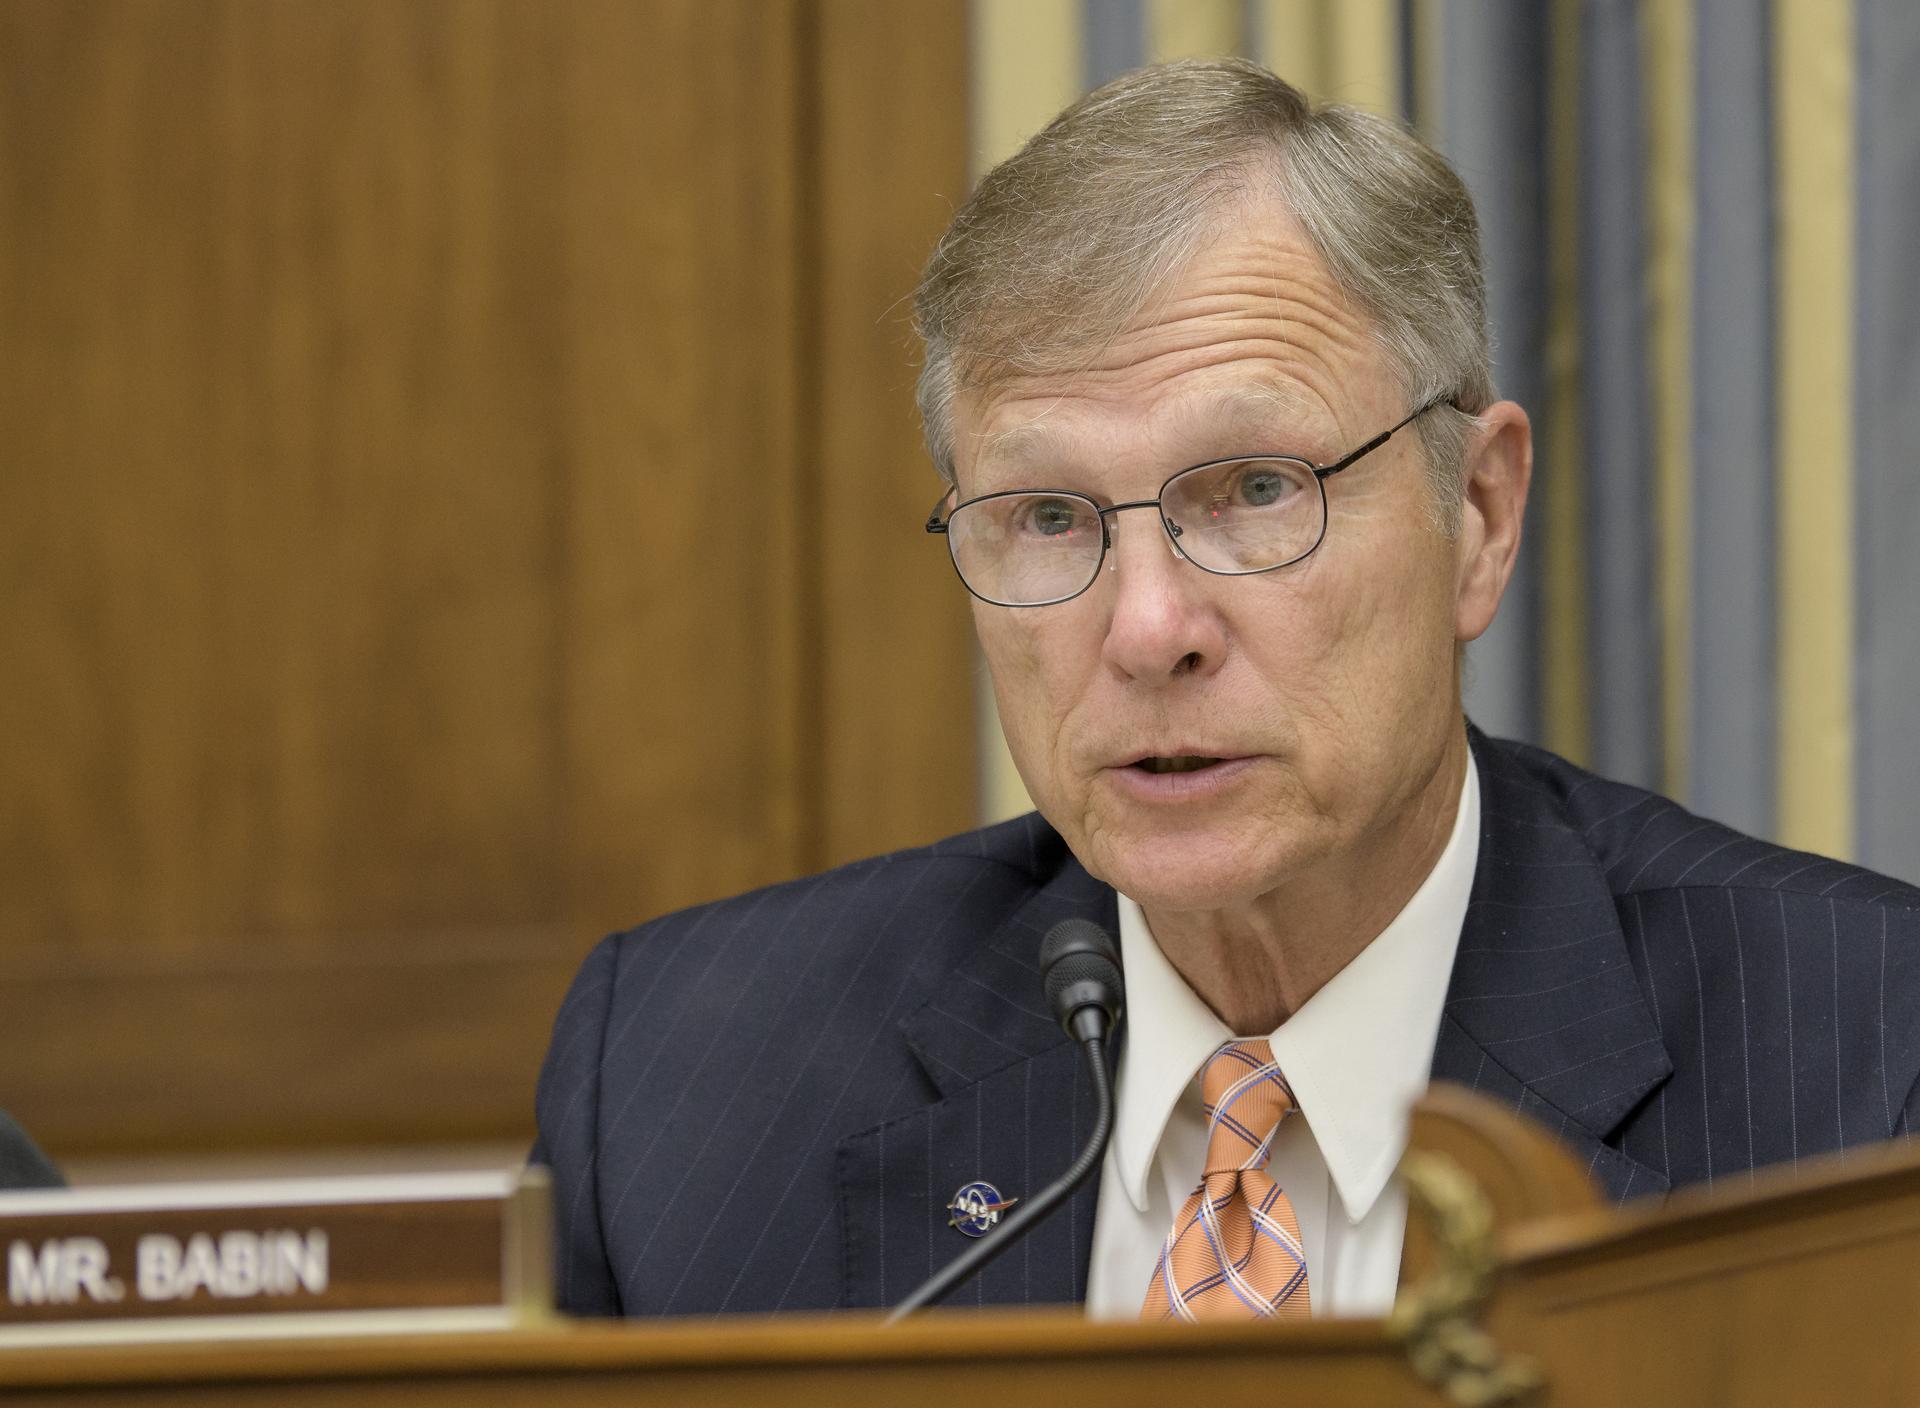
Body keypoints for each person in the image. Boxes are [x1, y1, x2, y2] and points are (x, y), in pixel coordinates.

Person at [532, 58, 1920, 1322]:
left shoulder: (1867, 1071)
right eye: (1048, 516)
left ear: (1480, 517)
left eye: (1257, 490)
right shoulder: (680, 1090)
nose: (1149, 631)